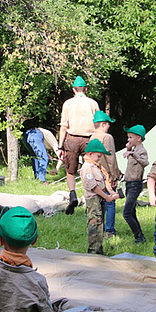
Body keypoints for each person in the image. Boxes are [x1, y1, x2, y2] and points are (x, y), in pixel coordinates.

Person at [59, 76, 99, 214]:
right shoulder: (93, 103)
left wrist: (59, 147)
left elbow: (64, 126)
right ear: (86, 89)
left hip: (72, 139)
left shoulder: (68, 104)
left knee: (70, 170)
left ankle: (72, 195)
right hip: (89, 139)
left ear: (73, 90)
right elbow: (98, 123)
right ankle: (90, 195)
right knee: (88, 168)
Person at [79, 138, 120, 255]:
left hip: (100, 199)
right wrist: (106, 197)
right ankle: (93, 250)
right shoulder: (87, 167)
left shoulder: (96, 166)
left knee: (100, 223)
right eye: (98, 156)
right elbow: (93, 186)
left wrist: (111, 192)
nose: (100, 158)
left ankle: (99, 247)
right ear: (90, 154)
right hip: (93, 199)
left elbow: (104, 180)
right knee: (94, 224)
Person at [90, 111, 122, 237]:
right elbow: (110, 157)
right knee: (110, 202)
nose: (109, 126)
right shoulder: (107, 137)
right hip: (106, 174)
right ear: (103, 124)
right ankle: (110, 230)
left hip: (95, 173)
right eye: (108, 124)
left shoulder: (92, 137)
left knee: (99, 201)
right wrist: (114, 175)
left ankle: (99, 227)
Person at [121, 124, 149, 244]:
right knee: (131, 212)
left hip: (135, 184)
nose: (128, 139)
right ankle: (140, 236)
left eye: (131, 137)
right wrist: (128, 150)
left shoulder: (141, 151)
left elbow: (145, 162)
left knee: (126, 213)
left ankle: (139, 237)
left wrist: (133, 154)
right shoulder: (133, 150)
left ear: (139, 138)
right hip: (129, 184)